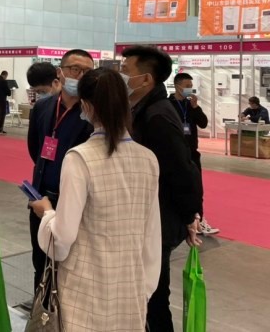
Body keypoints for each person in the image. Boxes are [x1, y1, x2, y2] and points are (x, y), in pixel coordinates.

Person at [30, 68, 161, 331]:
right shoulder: (148, 158)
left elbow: (62, 239)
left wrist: (46, 213)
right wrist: (144, 288)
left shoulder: (79, 158)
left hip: (84, 287)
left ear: (87, 106)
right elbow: (152, 234)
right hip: (131, 287)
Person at [120, 45, 203, 332]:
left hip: (159, 221)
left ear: (145, 79)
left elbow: (181, 170)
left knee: (155, 298)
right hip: (146, 217)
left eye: (126, 70)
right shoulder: (141, 109)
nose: (121, 75)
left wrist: (191, 215)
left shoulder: (156, 116)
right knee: (145, 295)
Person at [26, 49, 94, 289]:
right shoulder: (43, 107)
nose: (80, 75)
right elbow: (35, 148)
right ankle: (41, 309)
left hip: (74, 202)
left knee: (68, 268)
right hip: (41, 199)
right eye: (75, 69)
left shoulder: (92, 111)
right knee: (40, 262)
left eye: (87, 71)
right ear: (60, 72)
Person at [170, 73, 219, 236]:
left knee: (197, 189)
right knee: (176, 189)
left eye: (191, 86)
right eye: (187, 86)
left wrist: (195, 107)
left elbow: (203, 123)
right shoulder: (168, 104)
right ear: (177, 86)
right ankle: (180, 221)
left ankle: (200, 220)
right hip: (175, 154)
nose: (189, 89)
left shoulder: (191, 105)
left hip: (192, 153)